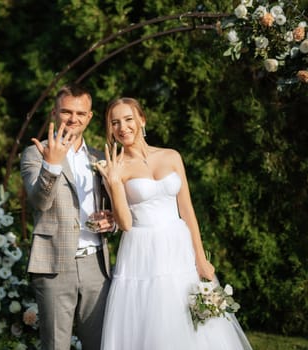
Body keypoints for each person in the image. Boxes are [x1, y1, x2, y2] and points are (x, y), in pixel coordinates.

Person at [96, 97, 253, 349]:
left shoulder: (171, 156)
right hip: (142, 250)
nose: (122, 127)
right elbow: (124, 223)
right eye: (115, 122)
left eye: (128, 119)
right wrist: (113, 183)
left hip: (178, 245)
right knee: (154, 319)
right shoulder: (115, 168)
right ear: (110, 129)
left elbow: (187, 209)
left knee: (194, 322)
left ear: (142, 120)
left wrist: (200, 259)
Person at [20, 83, 115, 350]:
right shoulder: (34, 153)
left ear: (90, 117)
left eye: (80, 113)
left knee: (99, 344)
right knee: (55, 345)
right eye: (66, 112)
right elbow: (39, 201)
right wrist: (51, 165)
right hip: (54, 264)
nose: (73, 119)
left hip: (97, 265)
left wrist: (113, 222)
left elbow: (115, 209)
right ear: (54, 113)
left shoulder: (98, 156)